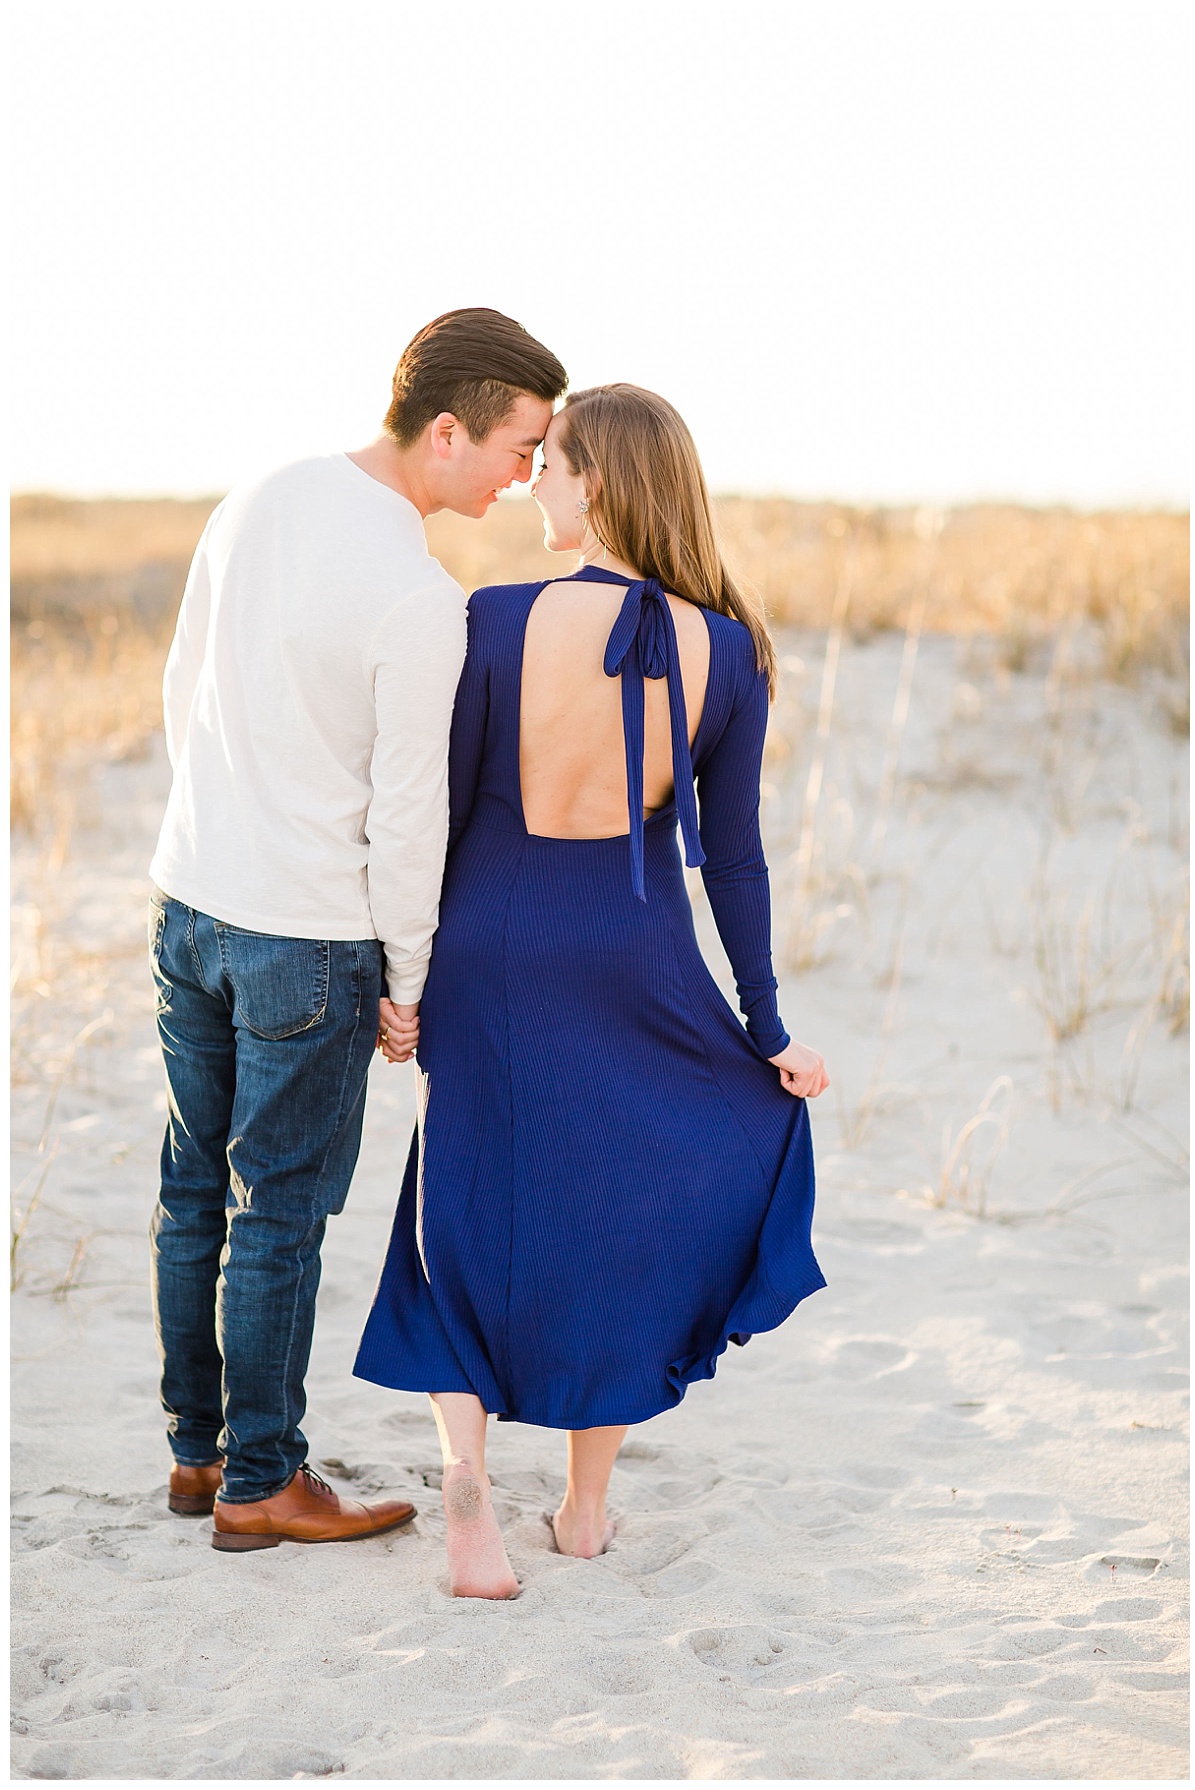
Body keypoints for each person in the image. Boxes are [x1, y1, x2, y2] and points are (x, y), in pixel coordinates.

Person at [355, 384, 829, 1597]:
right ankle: (583, 1504)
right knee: (615, 1215)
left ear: (600, 484)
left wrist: (403, 970)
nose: (536, 483)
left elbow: (446, 815)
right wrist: (766, 1027)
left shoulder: (495, 618)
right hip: (631, 947)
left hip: (492, 940)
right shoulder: (729, 647)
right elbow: (735, 856)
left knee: (457, 1204)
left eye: (553, 463)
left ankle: (467, 1477)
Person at [147, 308, 567, 1551]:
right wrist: (410, 978)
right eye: (518, 446)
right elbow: (407, 812)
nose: (524, 477)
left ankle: (197, 1452)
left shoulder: (260, 494)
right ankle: (263, 1479)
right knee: (275, 1208)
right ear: (449, 429)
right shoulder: (418, 595)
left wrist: (220, 829)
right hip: (309, 939)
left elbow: (185, 686)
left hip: (192, 902)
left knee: (192, 1190)